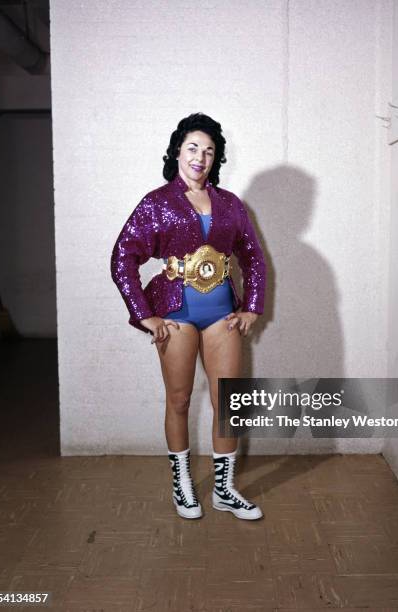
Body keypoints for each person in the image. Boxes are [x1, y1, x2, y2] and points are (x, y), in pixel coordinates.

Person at [110, 113, 266, 520]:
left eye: (210, 151)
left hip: (221, 317)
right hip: (175, 316)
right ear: (178, 150)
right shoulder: (156, 202)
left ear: (217, 159)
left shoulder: (231, 204)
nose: (201, 157)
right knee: (179, 400)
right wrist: (144, 314)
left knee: (228, 404)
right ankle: (182, 485)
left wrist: (251, 305)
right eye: (194, 147)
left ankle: (224, 490)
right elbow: (123, 257)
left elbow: (252, 256)